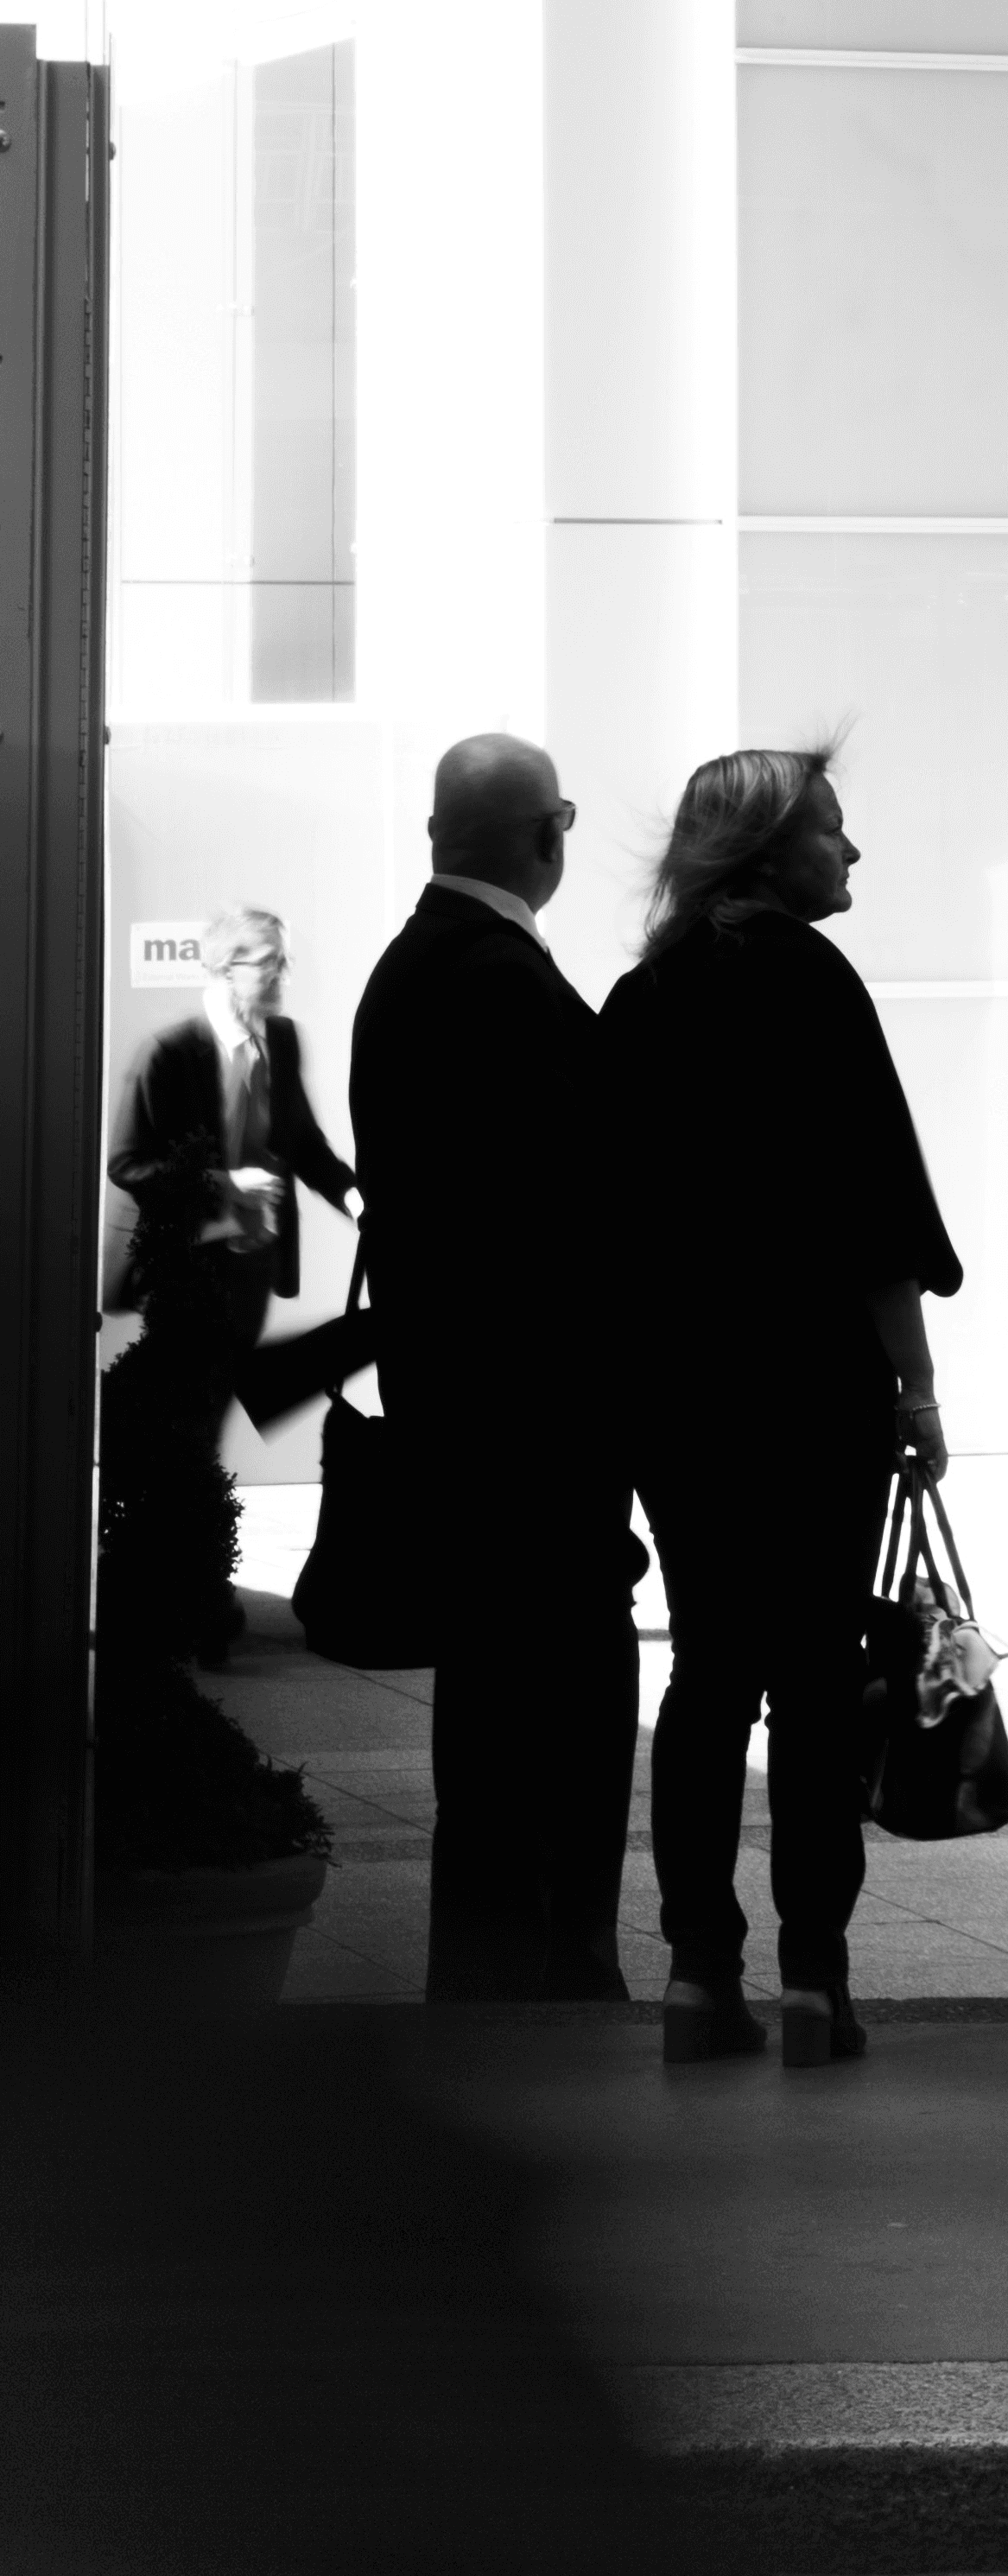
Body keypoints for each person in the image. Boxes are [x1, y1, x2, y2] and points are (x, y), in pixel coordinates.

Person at [600, 746, 961, 2072]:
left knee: (707, 1671)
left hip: (681, 1392)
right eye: (832, 830)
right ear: (767, 851)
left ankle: (698, 1973)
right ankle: (817, 1980)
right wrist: (914, 1384)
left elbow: (606, 1215)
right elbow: (875, 1211)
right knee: (816, 1680)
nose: (851, 853)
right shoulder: (814, 984)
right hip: (813, 1386)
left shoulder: (644, 996)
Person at [351, 734, 643, 2000]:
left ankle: (485, 1962)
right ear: (547, 835)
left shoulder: (407, 969)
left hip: (455, 1409)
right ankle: (548, 1962)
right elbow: (568, 1212)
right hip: (537, 1428)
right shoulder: (502, 982)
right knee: (560, 1707)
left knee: (485, 1721)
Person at [106, 907, 358, 1656]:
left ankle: (190, 1589)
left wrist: (353, 1197)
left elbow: (302, 1142)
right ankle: (195, 1597)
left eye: (282, 960)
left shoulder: (280, 1040)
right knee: (191, 1422)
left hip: (250, 1267)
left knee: (208, 1416)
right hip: (185, 1269)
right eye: (267, 961)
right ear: (223, 968)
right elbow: (128, 1162)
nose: (282, 974)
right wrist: (223, 1182)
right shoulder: (169, 1052)